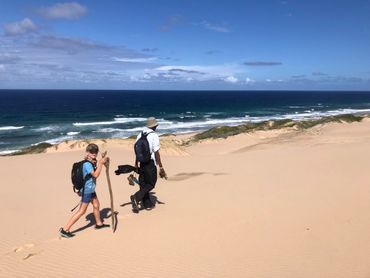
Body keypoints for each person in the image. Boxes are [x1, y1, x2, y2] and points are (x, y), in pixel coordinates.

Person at [60, 143, 110, 238]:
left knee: (96, 205)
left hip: (91, 189)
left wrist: (102, 161)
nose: (94, 153)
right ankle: (65, 229)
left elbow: (96, 164)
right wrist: (100, 163)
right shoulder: (87, 164)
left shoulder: (91, 161)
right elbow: (95, 175)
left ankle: (99, 224)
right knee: (82, 211)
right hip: (87, 190)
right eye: (91, 152)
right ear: (87, 152)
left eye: (95, 151)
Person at [131, 117, 167, 213]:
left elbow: (137, 151)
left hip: (141, 162)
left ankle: (147, 203)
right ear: (155, 126)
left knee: (143, 183)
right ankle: (136, 197)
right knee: (151, 183)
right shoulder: (154, 135)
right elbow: (156, 152)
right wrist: (161, 167)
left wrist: (136, 164)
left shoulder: (141, 134)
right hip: (150, 163)